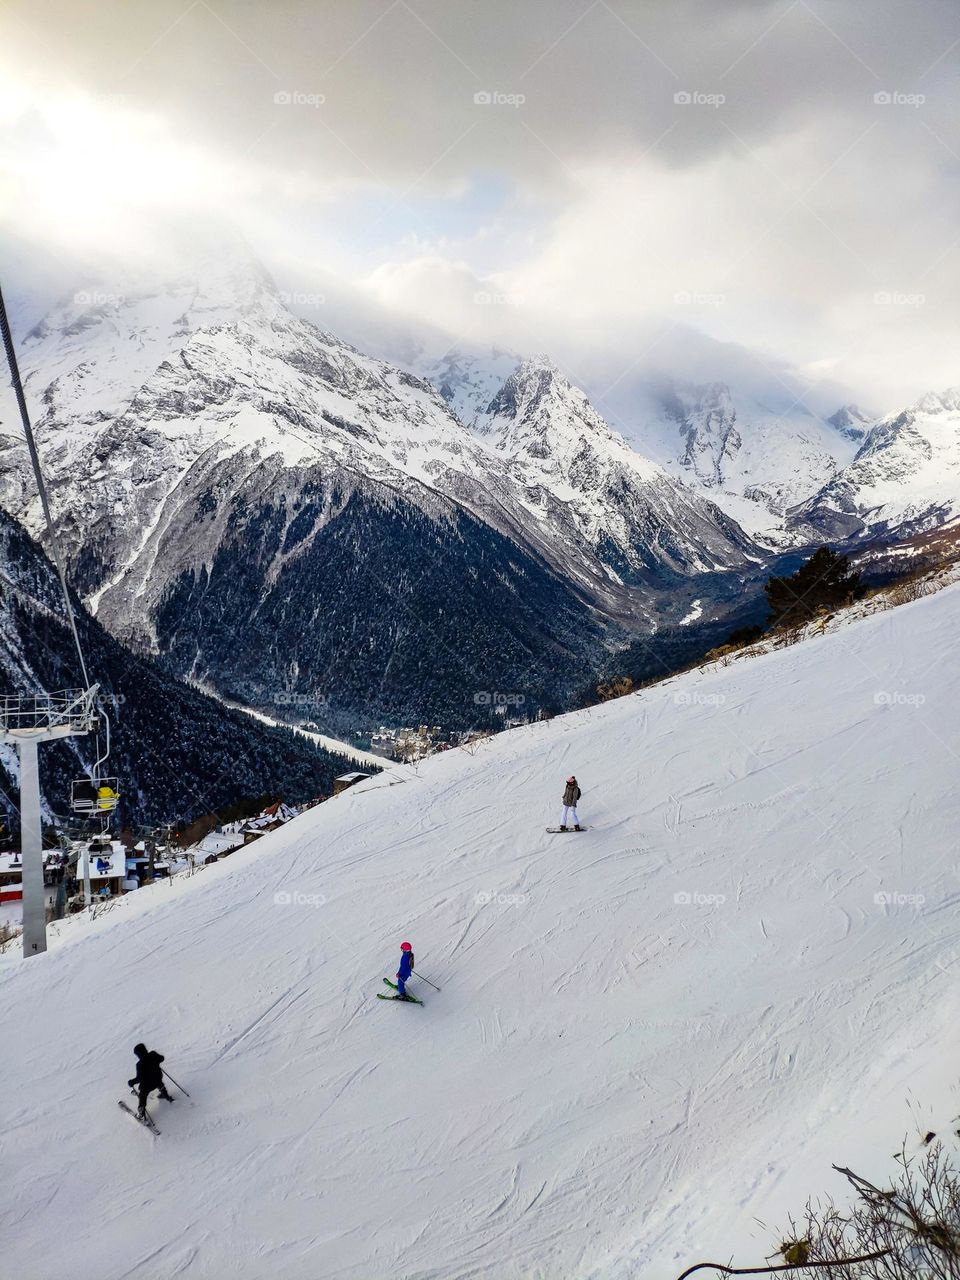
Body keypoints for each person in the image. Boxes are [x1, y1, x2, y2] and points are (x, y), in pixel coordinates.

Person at [128, 1043, 173, 1119]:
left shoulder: (139, 1064)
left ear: (138, 1054)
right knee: (160, 1084)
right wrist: (157, 1060)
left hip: (148, 1085)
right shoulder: (153, 1054)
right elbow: (162, 1058)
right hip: (158, 1077)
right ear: (145, 1049)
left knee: (143, 1095)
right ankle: (166, 1096)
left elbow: (139, 1078)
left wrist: (131, 1082)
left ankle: (141, 1112)